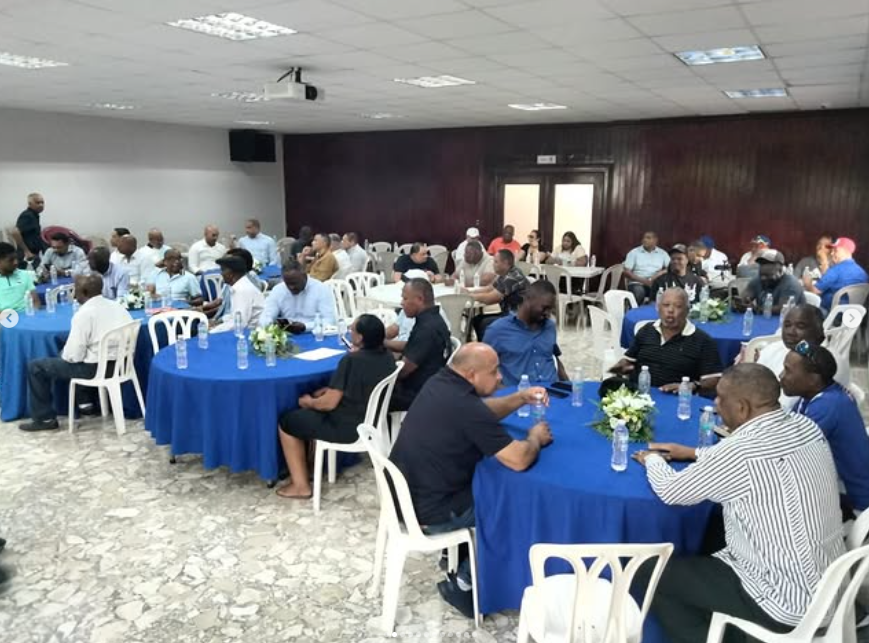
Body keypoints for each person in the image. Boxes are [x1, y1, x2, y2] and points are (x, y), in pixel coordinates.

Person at [631, 364, 845, 643]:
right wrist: (694, 453)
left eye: (720, 398)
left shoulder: (741, 452)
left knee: (648, 573)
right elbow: (743, 459)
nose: (716, 405)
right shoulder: (805, 426)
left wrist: (652, 460)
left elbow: (672, 491)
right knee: (715, 528)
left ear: (742, 408)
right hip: (829, 586)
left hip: (783, 602)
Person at [390, 343, 553, 617]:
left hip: (408, 494)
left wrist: (520, 398)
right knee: (511, 504)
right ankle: (464, 583)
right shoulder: (464, 405)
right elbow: (519, 459)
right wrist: (535, 438)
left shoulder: (441, 383)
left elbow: (482, 412)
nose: (500, 377)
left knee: (490, 484)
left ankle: (455, 556)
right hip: (430, 512)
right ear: (471, 374)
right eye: (494, 371)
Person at [276, 315, 397, 499]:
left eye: (352, 330)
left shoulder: (351, 360)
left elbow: (328, 404)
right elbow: (360, 385)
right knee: (314, 404)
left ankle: (301, 486)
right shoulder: (387, 357)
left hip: (346, 427)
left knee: (287, 422)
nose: (349, 332)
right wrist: (328, 391)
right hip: (371, 422)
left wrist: (309, 402)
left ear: (360, 338)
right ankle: (310, 465)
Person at [20, 274, 133, 431]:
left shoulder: (84, 314)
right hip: (122, 365)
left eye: (76, 289)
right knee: (71, 353)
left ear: (84, 292)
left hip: (95, 369)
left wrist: (64, 354)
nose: (74, 293)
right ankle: (85, 402)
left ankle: (44, 419)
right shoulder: (118, 307)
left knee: (36, 367)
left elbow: (73, 356)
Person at [780, 341, 869, 513]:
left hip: (855, 500)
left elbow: (787, 452)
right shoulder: (815, 393)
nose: (781, 375)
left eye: (788, 371)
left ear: (813, 379)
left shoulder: (828, 406)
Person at [610, 288, 722, 395]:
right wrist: (617, 369)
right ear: (658, 308)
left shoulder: (703, 341)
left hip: (677, 399)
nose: (670, 310)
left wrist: (692, 386)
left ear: (687, 311)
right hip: (640, 395)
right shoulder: (646, 331)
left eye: (678, 306)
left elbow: (714, 379)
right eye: (666, 305)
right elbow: (629, 361)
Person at [754, 304, 850, 409]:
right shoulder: (773, 348)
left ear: (819, 331)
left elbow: (788, 408)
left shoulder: (828, 363)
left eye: (800, 326)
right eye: (787, 325)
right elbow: (753, 385)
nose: (791, 332)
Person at [484, 280, 567, 386]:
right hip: (518, 393)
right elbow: (484, 370)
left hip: (552, 391)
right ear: (528, 299)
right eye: (544, 308)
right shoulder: (497, 331)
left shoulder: (549, 326)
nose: (548, 313)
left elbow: (553, 357)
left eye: (550, 309)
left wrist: (569, 386)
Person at [389, 279, 451, 412]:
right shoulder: (434, 319)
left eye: (405, 298)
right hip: (434, 383)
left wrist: (381, 373)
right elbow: (414, 347)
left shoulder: (426, 329)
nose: (401, 303)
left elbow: (403, 371)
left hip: (418, 392)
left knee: (368, 391)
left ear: (419, 299)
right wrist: (385, 344)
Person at [259, 258, 335, 332]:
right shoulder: (278, 290)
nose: (291, 287)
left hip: (313, 333)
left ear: (304, 276)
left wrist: (305, 326)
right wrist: (268, 324)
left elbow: (330, 320)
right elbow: (266, 315)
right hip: (288, 334)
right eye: (288, 284)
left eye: (294, 283)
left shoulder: (320, 289)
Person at [470, 249, 529, 341]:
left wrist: (470, 297)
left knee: (484, 323)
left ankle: (489, 347)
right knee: (476, 319)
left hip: (517, 317)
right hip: (508, 313)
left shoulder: (512, 277)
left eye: (496, 262)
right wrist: (469, 292)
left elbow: (491, 298)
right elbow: (490, 288)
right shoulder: (505, 274)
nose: (493, 264)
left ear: (505, 263)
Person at [803, 237, 868, 312]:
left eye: (835, 251)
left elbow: (815, 291)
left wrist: (807, 283)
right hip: (853, 314)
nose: (832, 253)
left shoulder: (836, 270)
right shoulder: (863, 272)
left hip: (830, 313)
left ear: (845, 251)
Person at [735, 249, 804, 314]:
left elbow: (782, 309)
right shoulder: (758, 279)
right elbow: (745, 296)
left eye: (768, 275)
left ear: (780, 270)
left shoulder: (791, 284)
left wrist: (756, 309)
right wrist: (740, 303)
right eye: (762, 263)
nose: (763, 278)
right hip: (763, 319)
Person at [210, 256, 264, 332]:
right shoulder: (240, 286)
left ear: (231, 273)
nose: (221, 274)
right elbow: (234, 315)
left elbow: (239, 323)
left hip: (250, 333)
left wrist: (212, 331)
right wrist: (218, 323)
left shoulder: (242, 290)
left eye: (223, 270)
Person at [623, 231, 670, 304]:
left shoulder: (662, 253)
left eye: (648, 238)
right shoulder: (634, 253)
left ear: (655, 240)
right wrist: (644, 281)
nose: (645, 240)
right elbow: (626, 272)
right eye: (644, 238)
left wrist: (660, 273)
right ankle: (635, 310)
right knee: (639, 291)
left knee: (666, 292)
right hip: (637, 283)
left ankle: (655, 310)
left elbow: (670, 268)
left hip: (655, 283)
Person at [0, 242, 38, 312]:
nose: (16, 262)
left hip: (27, 314)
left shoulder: (25, 275)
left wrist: (34, 314)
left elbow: (36, 302)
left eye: (16, 258)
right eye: (11, 260)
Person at [13, 192, 47, 267]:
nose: (41, 205)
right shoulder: (27, 215)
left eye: (42, 202)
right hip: (26, 255)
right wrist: (26, 251)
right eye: (37, 202)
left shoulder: (35, 215)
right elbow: (15, 232)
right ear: (30, 204)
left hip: (33, 253)